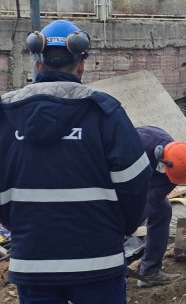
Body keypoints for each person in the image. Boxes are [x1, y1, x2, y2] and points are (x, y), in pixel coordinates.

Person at [0, 20, 151, 304]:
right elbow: (136, 185)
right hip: (98, 263)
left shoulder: (6, 116)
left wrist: (21, 225)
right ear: (81, 66)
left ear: (37, 65)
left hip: (33, 262)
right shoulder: (105, 112)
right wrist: (120, 229)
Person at [133, 126, 186, 288]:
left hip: (149, 172)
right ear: (162, 158)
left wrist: (128, 225)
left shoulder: (176, 164)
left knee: (162, 210)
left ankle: (150, 271)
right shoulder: (134, 143)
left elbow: (152, 200)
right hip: (117, 173)